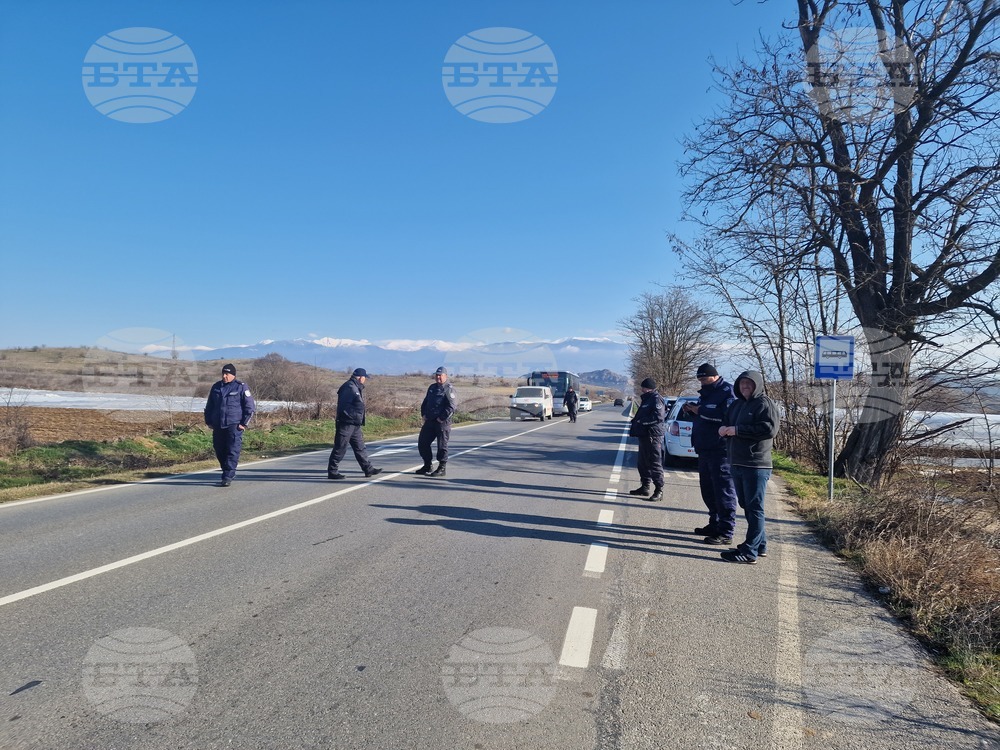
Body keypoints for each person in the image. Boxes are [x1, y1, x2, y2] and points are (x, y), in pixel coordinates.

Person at [718, 370, 781, 564]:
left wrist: (737, 430)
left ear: (758, 385)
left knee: (754, 508)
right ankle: (760, 545)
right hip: (737, 461)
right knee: (747, 505)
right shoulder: (737, 404)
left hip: (756, 464)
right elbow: (727, 422)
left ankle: (749, 551)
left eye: (749, 383)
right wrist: (723, 429)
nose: (745, 386)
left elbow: (770, 429)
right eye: (742, 383)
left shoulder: (765, 404)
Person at [683, 363, 739, 545]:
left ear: (715, 376)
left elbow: (725, 417)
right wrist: (693, 411)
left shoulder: (728, 392)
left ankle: (726, 530)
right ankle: (714, 523)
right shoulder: (705, 394)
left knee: (723, 491)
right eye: (699, 380)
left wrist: (701, 410)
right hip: (704, 448)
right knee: (708, 490)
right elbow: (705, 418)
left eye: (705, 379)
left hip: (720, 450)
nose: (702, 383)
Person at [204, 363, 255, 487]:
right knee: (219, 449)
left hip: (234, 424)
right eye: (223, 373)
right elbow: (210, 405)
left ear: (233, 375)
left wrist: (244, 423)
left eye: (227, 374)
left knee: (232, 450)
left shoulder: (241, 387)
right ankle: (226, 469)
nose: (225, 376)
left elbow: (250, 407)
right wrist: (209, 421)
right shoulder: (216, 387)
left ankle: (228, 475)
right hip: (218, 424)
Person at [327, 368, 382, 480]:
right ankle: (332, 471)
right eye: (365, 377)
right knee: (340, 447)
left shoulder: (355, 387)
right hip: (346, 423)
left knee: (360, 447)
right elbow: (343, 406)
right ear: (360, 377)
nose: (365, 380)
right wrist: (349, 417)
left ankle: (368, 468)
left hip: (355, 424)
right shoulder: (349, 387)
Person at [628, 377, 667, 502]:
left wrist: (641, 422)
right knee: (643, 463)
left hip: (653, 436)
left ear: (648, 388)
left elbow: (658, 417)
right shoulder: (647, 399)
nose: (642, 390)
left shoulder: (656, 399)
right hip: (645, 436)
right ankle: (645, 486)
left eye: (643, 387)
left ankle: (659, 490)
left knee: (654, 463)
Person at [416, 366, 457, 478]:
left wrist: (442, 418)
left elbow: (452, 406)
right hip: (430, 421)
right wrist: (423, 414)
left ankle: (442, 467)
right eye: (437, 375)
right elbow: (425, 402)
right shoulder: (432, 387)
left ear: (445, 376)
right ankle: (427, 465)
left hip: (442, 423)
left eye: (441, 375)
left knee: (442, 446)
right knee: (422, 443)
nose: (438, 377)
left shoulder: (449, 389)